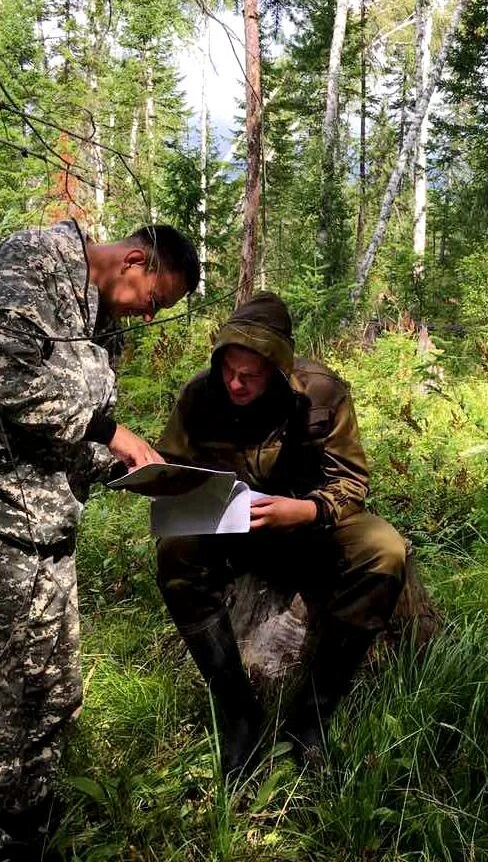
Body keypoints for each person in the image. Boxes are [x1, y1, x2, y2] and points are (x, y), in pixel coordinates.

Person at [0, 219, 199, 861]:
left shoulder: (100, 320)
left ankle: (27, 831)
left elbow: (66, 441)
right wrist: (111, 430)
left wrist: (132, 471)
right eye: (155, 301)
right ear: (133, 261)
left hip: (42, 518)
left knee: (50, 686)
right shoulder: (32, 262)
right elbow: (6, 383)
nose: (150, 319)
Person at [155, 291, 407, 770]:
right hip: (230, 532)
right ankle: (237, 712)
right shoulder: (199, 395)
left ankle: (309, 719)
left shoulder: (322, 393)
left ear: (276, 366)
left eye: (248, 375)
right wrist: (158, 481)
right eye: (228, 370)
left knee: (384, 550)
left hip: (309, 530)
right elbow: (174, 468)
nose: (235, 383)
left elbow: (351, 480)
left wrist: (306, 510)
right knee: (175, 553)